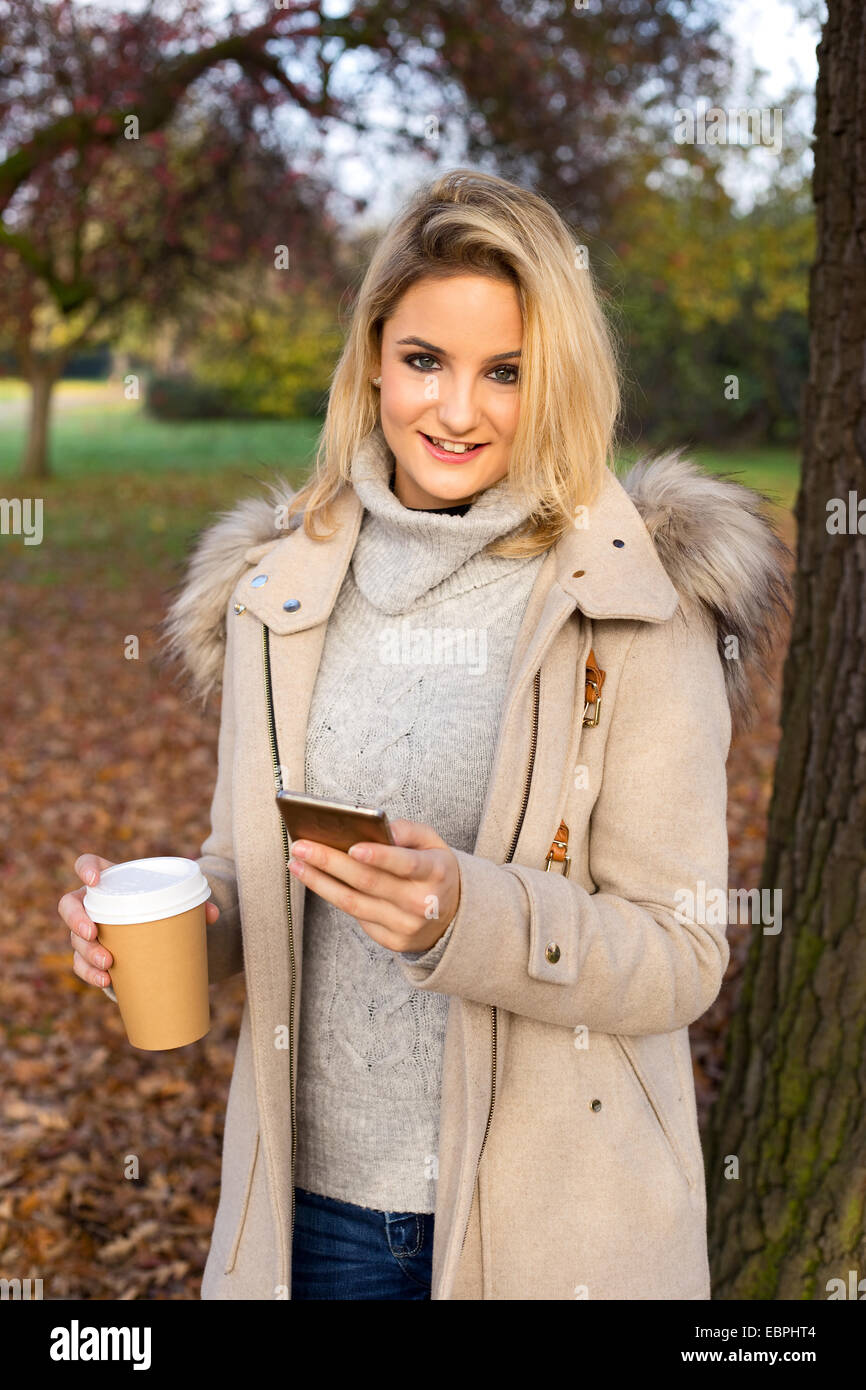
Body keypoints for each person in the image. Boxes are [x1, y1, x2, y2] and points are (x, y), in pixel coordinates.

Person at [60, 168, 791, 1300]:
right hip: (313, 1224)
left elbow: (682, 952)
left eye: (505, 372)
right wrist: (166, 938)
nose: (456, 410)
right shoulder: (277, 587)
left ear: (556, 379)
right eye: (423, 361)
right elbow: (249, 877)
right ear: (371, 359)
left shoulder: (632, 601)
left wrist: (469, 915)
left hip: (546, 1232)